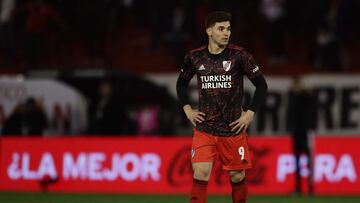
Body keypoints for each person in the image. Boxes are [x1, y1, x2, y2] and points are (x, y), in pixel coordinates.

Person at [176, 11, 268, 203]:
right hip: (205, 128)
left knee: (237, 177)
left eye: (228, 28)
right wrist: (187, 109)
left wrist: (250, 113)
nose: (226, 33)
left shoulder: (240, 55)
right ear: (209, 31)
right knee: (200, 173)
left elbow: (261, 85)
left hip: (232, 129)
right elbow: (181, 83)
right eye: (220, 29)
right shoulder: (195, 57)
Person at [286, 77, 315, 195]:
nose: (296, 88)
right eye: (295, 86)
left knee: (309, 162)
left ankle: (310, 188)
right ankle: (298, 188)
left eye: (298, 86)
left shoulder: (306, 97)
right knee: (297, 162)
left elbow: (312, 104)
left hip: (306, 133)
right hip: (296, 134)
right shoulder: (292, 98)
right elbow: (290, 115)